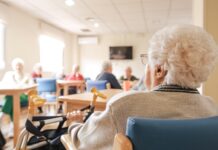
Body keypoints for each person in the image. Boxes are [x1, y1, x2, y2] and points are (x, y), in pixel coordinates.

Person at [66, 24, 218, 149]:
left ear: (159, 69)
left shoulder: (123, 106)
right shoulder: (212, 109)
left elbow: (83, 143)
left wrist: (75, 123)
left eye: (147, 61)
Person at [1, 58, 32, 137]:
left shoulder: (27, 75)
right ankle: (12, 128)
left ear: (23, 66)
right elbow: (3, 84)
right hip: (12, 96)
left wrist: (23, 84)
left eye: (20, 65)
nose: (18, 67)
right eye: (16, 65)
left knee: (11, 99)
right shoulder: (8, 74)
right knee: (12, 99)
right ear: (13, 66)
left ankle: (2, 115)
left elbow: (31, 86)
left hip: (24, 96)